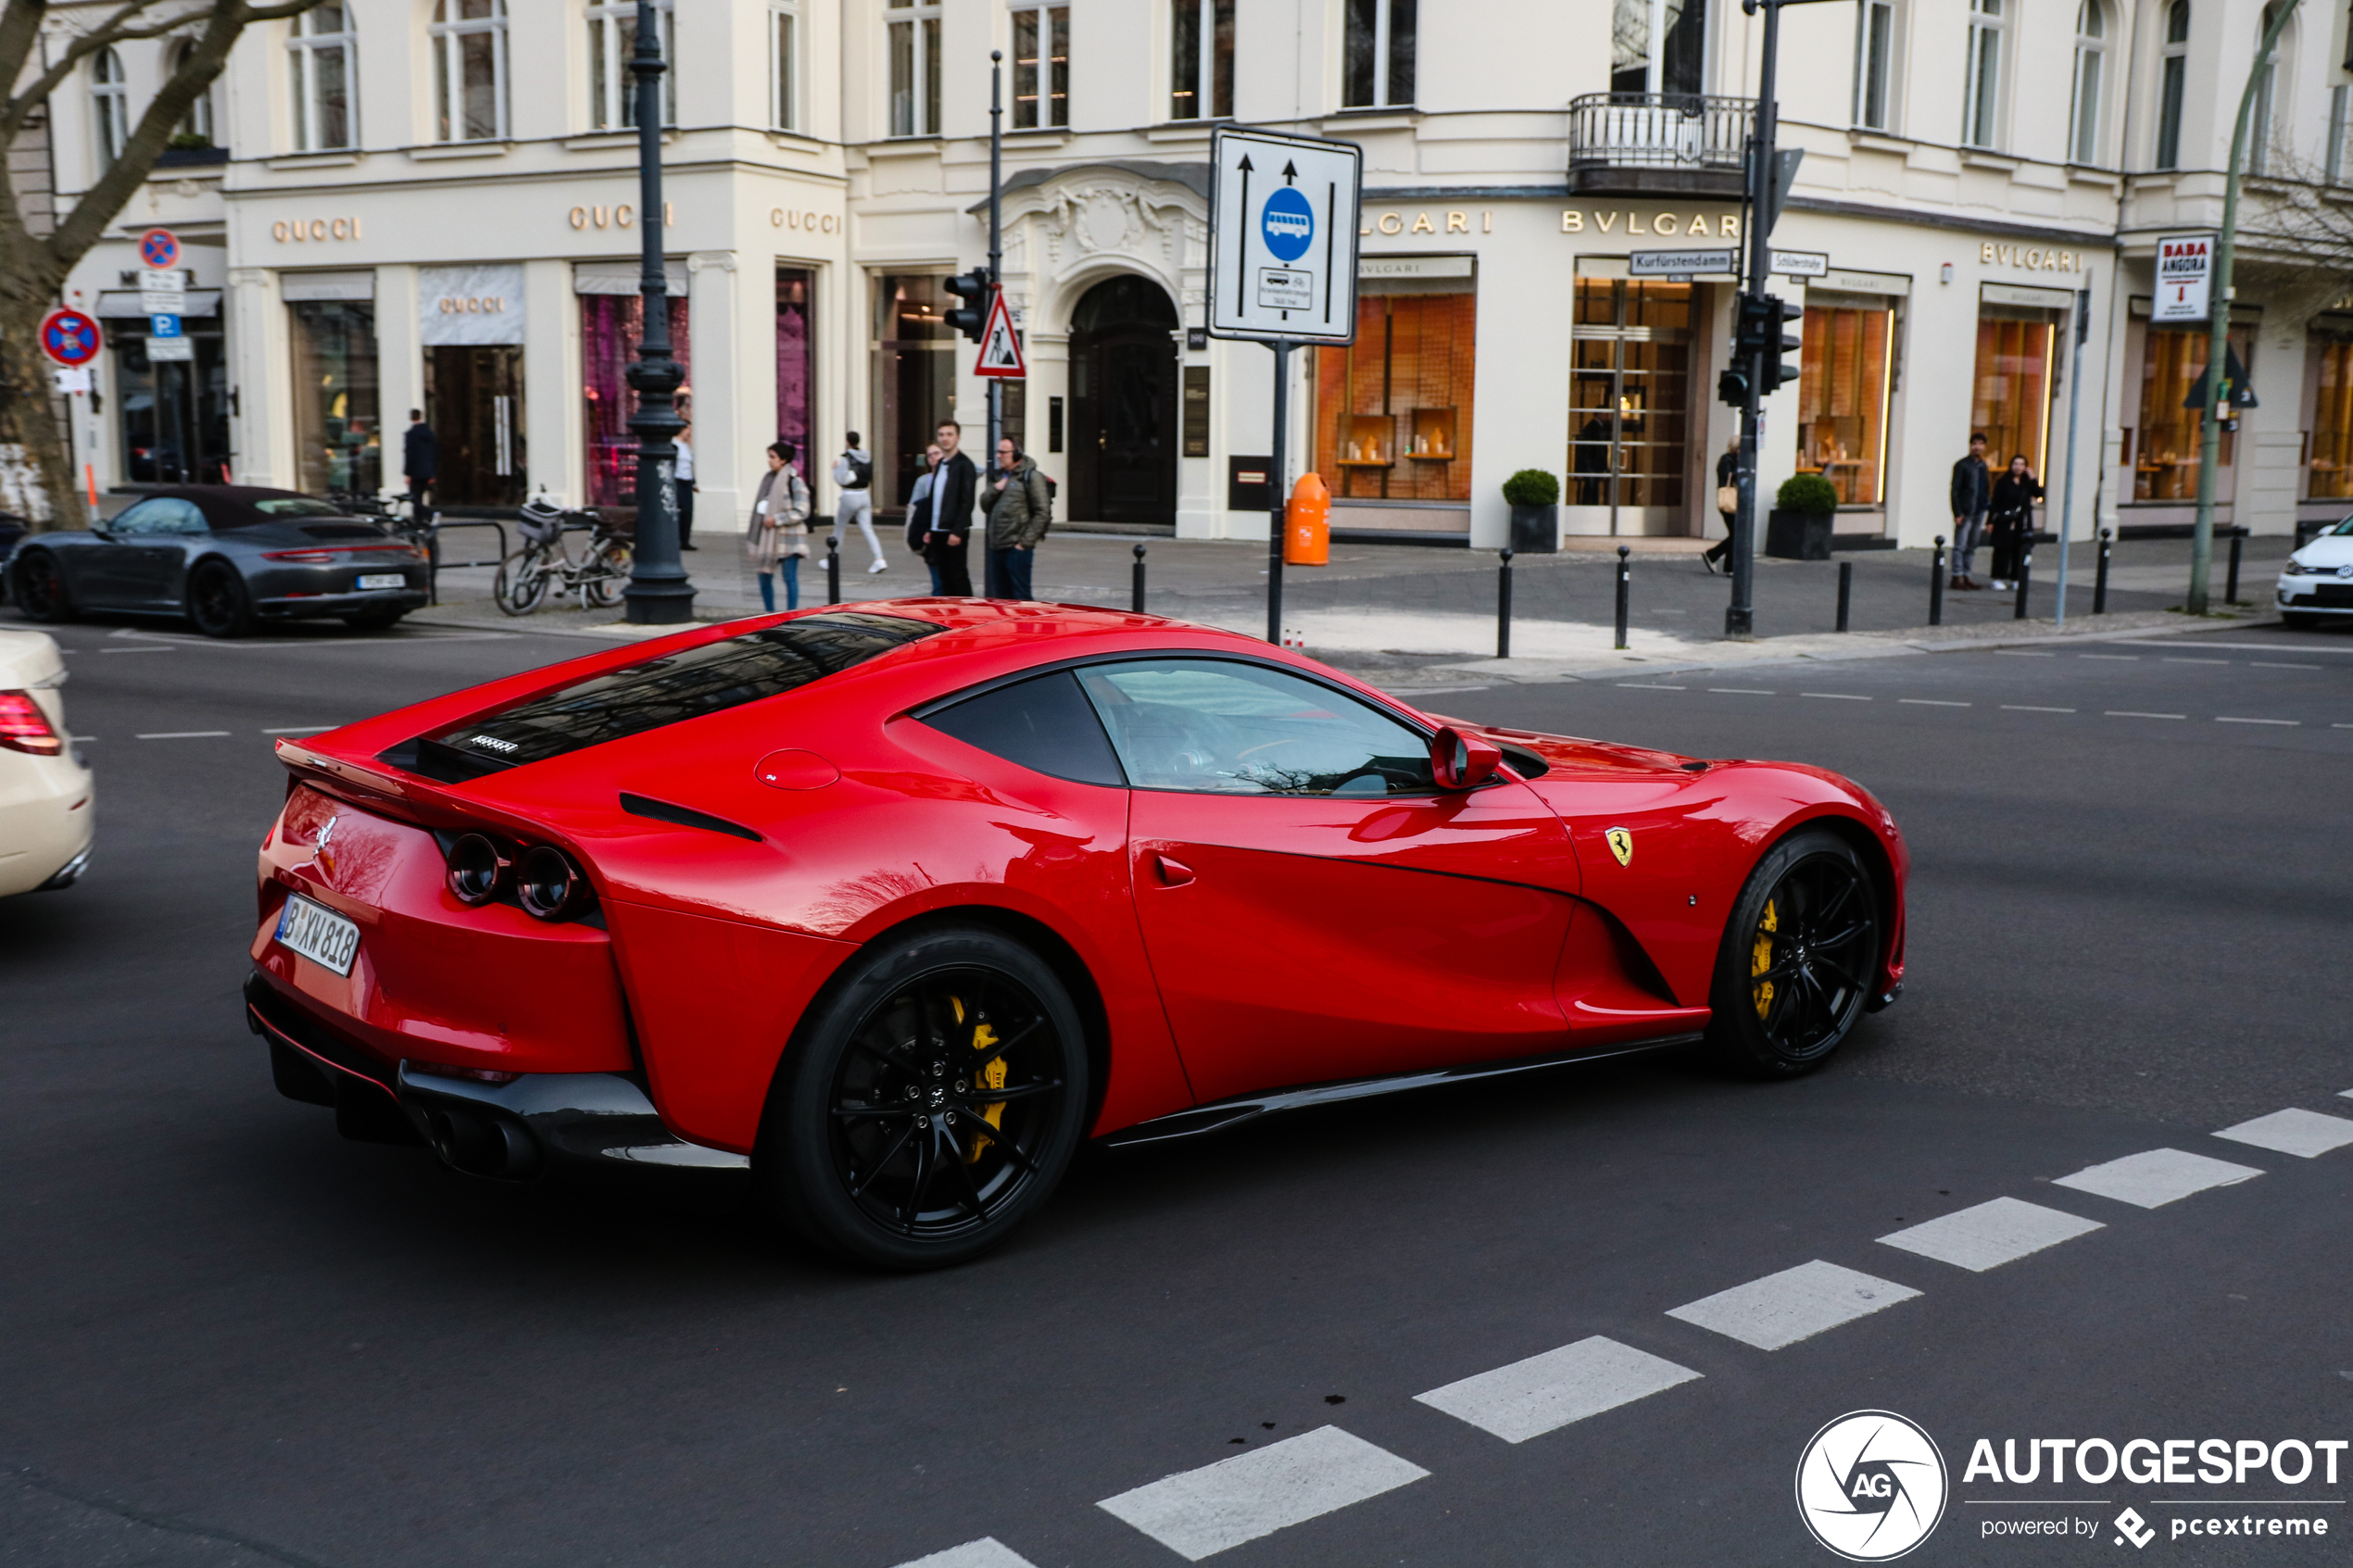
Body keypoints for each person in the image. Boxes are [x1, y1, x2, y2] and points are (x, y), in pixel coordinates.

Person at [745, 441, 811, 612]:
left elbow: (802, 511)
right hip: (768, 537)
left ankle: (791, 614)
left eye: (772, 457)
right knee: (764, 576)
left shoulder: (794, 481)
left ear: (783, 460)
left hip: (789, 538)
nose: (769, 460)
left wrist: (777, 518)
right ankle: (769, 614)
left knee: (789, 578)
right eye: (769, 456)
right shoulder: (768, 479)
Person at [982, 437, 1051, 600]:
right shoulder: (999, 477)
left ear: (1016, 454)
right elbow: (985, 505)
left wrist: (1024, 543)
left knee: (1021, 598)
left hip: (1016, 548)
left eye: (1003, 452)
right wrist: (995, 489)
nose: (998, 456)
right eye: (997, 452)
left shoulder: (1031, 477)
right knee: (1001, 598)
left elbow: (1042, 511)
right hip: (997, 546)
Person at [929, 420, 979, 596]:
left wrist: (957, 531)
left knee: (958, 576)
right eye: (942, 435)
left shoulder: (965, 465)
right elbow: (934, 498)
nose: (945, 439)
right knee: (943, 577)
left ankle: (966, 612)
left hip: (954, 531)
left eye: (949, 434)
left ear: (957, 438)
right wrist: (929, 527)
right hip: (937, 530)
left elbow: (967, 501)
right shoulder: (941, 464)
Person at [831, 431, 887, 573]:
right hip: (864, 495)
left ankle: (833, 557)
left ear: (847, 441)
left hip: (849, 495)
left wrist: (835, 469)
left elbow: (841, 479)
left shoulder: (846, 458)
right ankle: (879, 559)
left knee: (839, 526)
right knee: (868, 529)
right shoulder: (867, 456)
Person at [1986, 453, 2043, 592]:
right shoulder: (2003, 482)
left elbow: (2039, 493)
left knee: (2020, 549)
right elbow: (1996, 502)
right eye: (2015, 464)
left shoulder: (2027, 483)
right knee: (2002, 550)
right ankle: (1998, 578)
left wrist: (2033, 478)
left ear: (2026, 467)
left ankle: (2016, 578)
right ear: (2011, 466)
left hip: (2022, 521)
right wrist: (1990, 521)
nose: (2018, 467)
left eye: (2021, 464)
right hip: (2005, 521)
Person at [1948, 431, 1992, 591]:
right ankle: (1957, 576)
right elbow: (1955, 490)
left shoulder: (1983, 465)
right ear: (1970, 446)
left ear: (1985, 447)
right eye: (1974, 444)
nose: (1977, 447)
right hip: (1966, 511)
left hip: (1979, 510)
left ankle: (1966, 575)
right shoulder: (1962, 465)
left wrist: (1988, 508)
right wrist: (1957, 512)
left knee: (1972, 545)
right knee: (1960, 545)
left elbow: (1986, 488)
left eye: (1980, 444)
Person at [1703, 435, 1738, 573]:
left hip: (1735, 502)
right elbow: (1726, 476)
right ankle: (1712, 554)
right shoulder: (1726, 459)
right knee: (1736, 535)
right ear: (1734, 448)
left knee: (1735, 535)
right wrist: (1740, 470)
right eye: (1739, 447)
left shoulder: (1737, 460)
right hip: (1728, 502)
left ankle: (1728, 567)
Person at [402, 409, 435, 520]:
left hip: (416, 471)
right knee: (420, 495)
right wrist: (432, 473)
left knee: (415, 498)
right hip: (427, 470)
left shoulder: (411, 434)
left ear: (411, 418)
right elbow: (434, 453)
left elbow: (410, 455)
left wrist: (408, 473)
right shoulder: (430, 434)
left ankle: (427, 515)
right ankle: (421, 519)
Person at [674, 421, 698, 549]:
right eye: (688, 429)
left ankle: (685, 540)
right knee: (680, 510)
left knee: (688, 511)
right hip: (678, 479)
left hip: (687, 481)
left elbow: (690, 465)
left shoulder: (687, 446)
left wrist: (694, 482)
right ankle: (678, 539)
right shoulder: (674, 445)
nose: (689, 432)